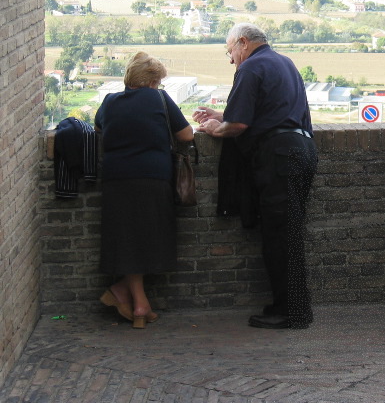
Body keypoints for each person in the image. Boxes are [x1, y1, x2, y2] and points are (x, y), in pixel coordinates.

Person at [193, 23, 318, 330]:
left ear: (243, 43)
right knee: (288, 232)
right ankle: (294, 308)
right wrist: (221, 115)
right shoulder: (284, 63)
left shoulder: (250, 69)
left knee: (280, 236)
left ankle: (290, 311)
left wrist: (214, 128)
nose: (231, 59)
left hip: (278, 156)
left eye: (230, 51)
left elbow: (238, 127)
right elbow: (267, 113)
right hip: (301, 148)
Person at [95, 52, 193, 328]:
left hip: (116, 180)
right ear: (152, 81)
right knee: (146, 240)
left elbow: (98, 127)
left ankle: (124, 294)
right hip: (153, 178)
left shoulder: (110, 101)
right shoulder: (159, 99)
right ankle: (139, 305)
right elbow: (186, 135)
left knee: (127, 240)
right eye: (158, 81)